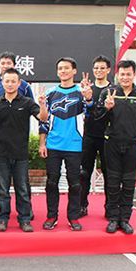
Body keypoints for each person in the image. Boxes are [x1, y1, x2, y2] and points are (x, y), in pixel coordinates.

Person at [0, 68, 48, 232]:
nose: (10, 84)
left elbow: (43, 118)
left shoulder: (27, 102)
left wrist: (42, 105)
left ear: (19, 83)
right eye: (7, 81)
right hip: (0, 154)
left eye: (13, 81)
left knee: (22, 190)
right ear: (3, 83)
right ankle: (3, 219)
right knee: (2, 190)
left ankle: (25, 219)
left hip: (20, 154)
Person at [95, 60, 136, 235]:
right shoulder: (108, 93)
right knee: (113, 183)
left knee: (128, 183)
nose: (125, 77)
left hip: (132, 145)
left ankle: (125, 219)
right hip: (111, 144)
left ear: (134, 75)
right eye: (122, 74)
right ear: (117, 75)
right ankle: (113, 219)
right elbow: (97, 118)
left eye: (128, 74)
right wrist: (106, 108)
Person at [39, 57, 93, 231]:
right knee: (51, 182)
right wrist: (42, 143)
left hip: (75, 145)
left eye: (66, 68)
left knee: (75, 183)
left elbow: (91, 114)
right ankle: (51, 216)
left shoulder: (81, 92)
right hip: (53, 145)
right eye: (60, 68)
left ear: (74, 71)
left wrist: (89, 99)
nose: (63, 71)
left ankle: (73, 217)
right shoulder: (50, 93)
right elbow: (43, 121)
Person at [0, 51, 35, 214]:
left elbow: (34, 109)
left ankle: (26, 211)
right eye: (3, 63)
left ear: (14, 66)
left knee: (22, 182)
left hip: (18, 140)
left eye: (9, 63)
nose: (5, 66)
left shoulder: (24, 86)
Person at [80, 55, 112, 217]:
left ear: (108, 70)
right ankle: (82, 206)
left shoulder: (113, 90)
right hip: (89, 136)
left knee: (109, 173)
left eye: (102, 68)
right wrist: (84, 95)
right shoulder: (87, 89)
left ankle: (110, 207)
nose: (99, 71)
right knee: (84, 173)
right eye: (96, 68)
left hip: (107, 137)